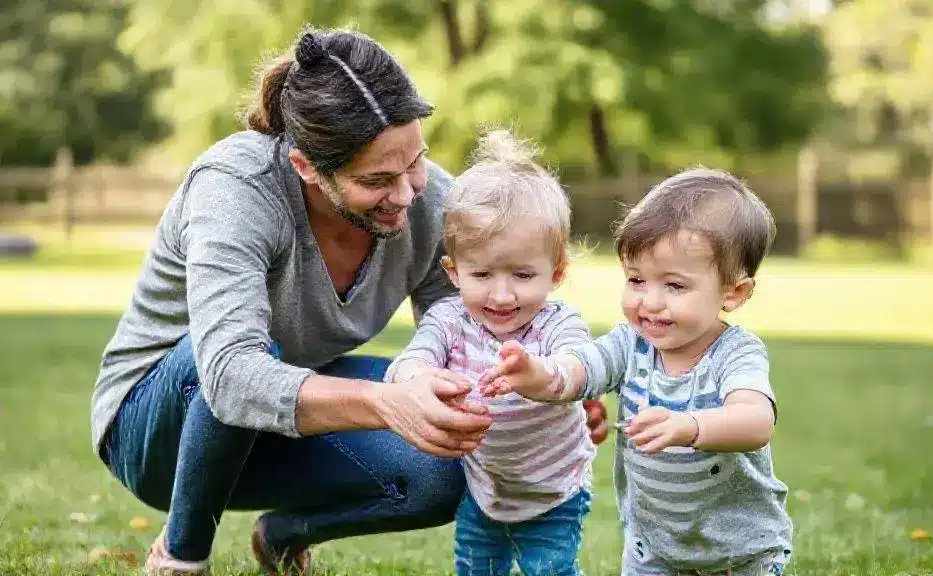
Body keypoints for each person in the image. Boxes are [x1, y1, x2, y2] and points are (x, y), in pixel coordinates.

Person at [88, 27, 608, 576]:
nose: (408, 193)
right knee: (239, 357)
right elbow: (229, 374)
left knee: (449, 455)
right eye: (377, 179)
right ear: (306, 167)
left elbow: (473, 338)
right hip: (160, 431)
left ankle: (283, 535)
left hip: (288, 415)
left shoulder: (431, 205)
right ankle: (180, 558)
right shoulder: (237, 187)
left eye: (415, 162)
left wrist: (550, 391)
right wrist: (388, 402)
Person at [480, 168, 794, 576]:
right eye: (636, 279)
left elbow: (756, 422)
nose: (650, 302)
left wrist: (688, 426)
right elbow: (580, 371)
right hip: (654, 551)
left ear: (733, 293)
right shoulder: (630, 343)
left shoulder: (735, 353)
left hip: (741, 552)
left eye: (675, 286)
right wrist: (537, 373)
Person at [383, 130, 596, 576]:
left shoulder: (557, 324)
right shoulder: (448, 319)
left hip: (554, 490)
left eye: (522, 274)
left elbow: (578, 367)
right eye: (481, 273)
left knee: (549, 568)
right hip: (484, 488)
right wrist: (418, 379)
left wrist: (537, 374)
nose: (501, 295)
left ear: (556, 273)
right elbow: (410, 360)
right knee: (476, 567)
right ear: (453, 271)